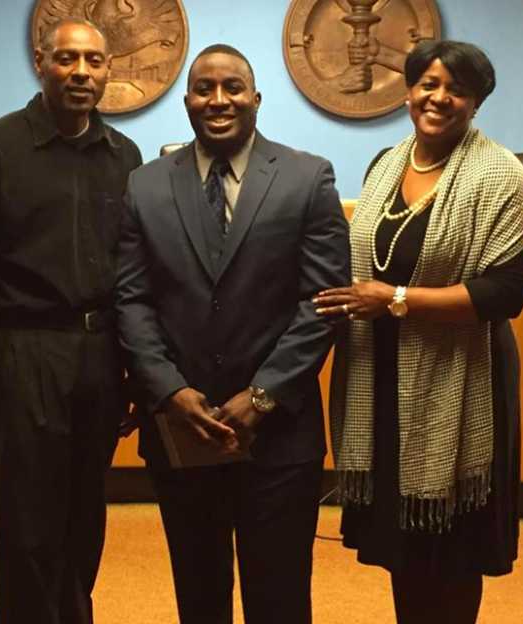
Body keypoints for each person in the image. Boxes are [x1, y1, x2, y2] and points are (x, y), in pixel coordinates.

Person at [115, 44, 350, 624]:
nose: (218, 100)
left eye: (233, 87)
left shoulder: (306, 176)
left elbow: (321, 303)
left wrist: (263, 394)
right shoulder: (144, 186)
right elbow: (131, 298)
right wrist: (169, 390)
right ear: (188, 100)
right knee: (198, 592)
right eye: (204, 89)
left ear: (256, 99)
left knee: (279, 596)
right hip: (180, 428)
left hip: (278, 434)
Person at [314, 40, 523, 624]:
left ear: (476, 101)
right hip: (382, 376)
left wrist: (397, 301)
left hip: (462, 385)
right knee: (403, 543)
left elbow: (505, 294)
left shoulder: (501, 174)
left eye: (455, 88)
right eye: (428, 84)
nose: (439, 97)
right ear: (409, 91)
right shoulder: (385, 162)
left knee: (452, 549)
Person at [0, 18, 141, 624]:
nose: (82, 72)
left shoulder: (124, 157)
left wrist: (129, 369)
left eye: (95, 62)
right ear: (40, 62)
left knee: (85, 519)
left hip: (101, 357)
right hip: (23, 353)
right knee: (27, 527)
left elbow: (133, 272)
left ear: (108, 71)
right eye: (67, 59)